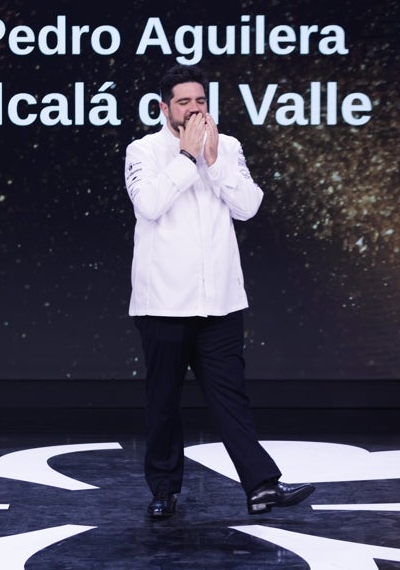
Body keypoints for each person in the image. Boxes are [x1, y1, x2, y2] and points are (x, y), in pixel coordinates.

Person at [124, 64, 314, 519]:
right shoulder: (143, 150)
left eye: (201, 101)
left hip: (221, 303)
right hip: (164, 303)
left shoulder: (227, 148)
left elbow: (249, 206)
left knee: (231, 398)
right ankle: (164, 491)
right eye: (184, 102)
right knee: (164, 402)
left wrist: (212, 161)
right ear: (164, 108)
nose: (194, 110)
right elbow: (149, 205)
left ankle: (262, 487)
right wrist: (187, 159)